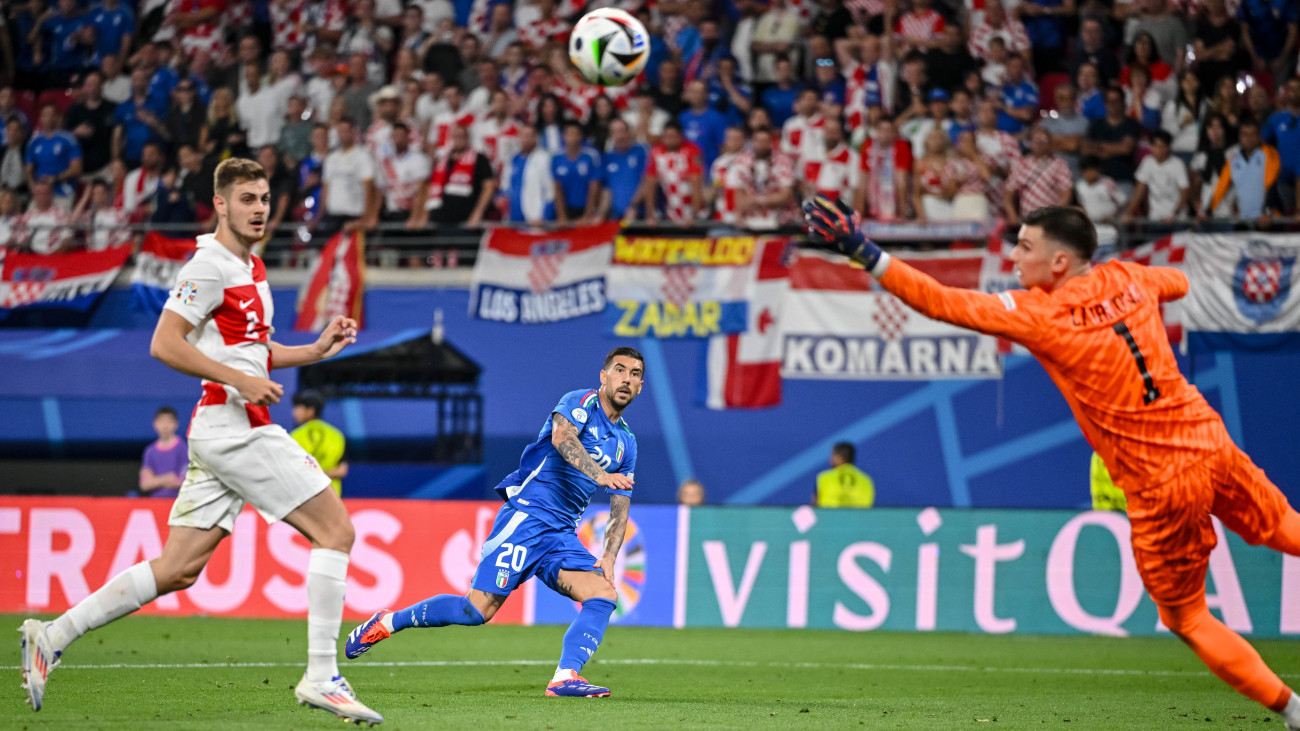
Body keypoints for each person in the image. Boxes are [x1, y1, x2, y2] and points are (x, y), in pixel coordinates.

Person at [803, 199, 1300, 730]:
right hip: (1208, 439)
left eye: (1025, 246)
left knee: (1187, 617)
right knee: (1285, 527)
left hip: (1161, 482)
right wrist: (1140, 289)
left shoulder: (1043, 314)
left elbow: (942, 301)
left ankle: (1293, 710)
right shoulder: (1131, 277)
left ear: (1060, 263)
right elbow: (1176, 280)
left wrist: (863, 251)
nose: (1014, 256)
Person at [19, 158, 382, 724]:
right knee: (336, 531)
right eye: (247, 199)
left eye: (264, 198)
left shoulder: (252, 267)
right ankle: (321, 675)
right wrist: (239, 379)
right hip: (238, 426)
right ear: (220, 204)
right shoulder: (209, 265)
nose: (259, 208)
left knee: (178, 568)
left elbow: (253, 350)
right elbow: (165, 343)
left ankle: (53, 634)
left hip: (220, 430)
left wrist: (312, 350)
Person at [343, 348, 644, 700]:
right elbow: (563, 440)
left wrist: (609, 555)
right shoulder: (579, 403)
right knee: (476, 611)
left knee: (603, 593)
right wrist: (601, 475)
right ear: (603, 375)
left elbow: (620, 503)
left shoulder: (628, 442)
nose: (626, 378)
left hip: (560, 535)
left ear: (640, 387)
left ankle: (565, 676)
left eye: (635, 374)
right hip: (527, 517)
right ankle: (387, 622)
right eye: (619, 370)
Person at [1005, 127, 1074, 224]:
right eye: (1036, 139)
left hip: (1049, 221)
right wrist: (1012, 215)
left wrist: (1054, 214)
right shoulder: (1021, 164)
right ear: (1031, 142)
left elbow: (1066, 193)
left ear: (1050, 144)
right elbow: (1008, 193)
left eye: (1043, 140)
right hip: (1027, 219)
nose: (1039, 142)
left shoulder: (1059, 164)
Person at [1124, 130, 1190, 223]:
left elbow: (1184, 192)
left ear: (1168, 147)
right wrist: (1129, 212)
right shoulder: (1147, 162)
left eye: (1161, 146)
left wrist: (1175, 213)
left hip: (1176, 220)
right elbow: (1139, 190)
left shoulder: (1177, 164)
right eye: (1154, 146)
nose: (1157, 150)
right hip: (1155, 218)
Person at [291, 391, 348, 496]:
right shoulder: (336, 435)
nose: (294, 412)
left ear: (310, 411)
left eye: (299, 408)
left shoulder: (295, 436)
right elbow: (342, 470)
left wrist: (313, 475)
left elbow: (291, 469)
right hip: (332, 496)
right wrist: (323, 474)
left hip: (304, 495)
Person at [139, 406, 187, 499]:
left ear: (176, 424)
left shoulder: (183, 448)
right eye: (161, 421)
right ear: (155, 424)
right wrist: (168, 478)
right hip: (156, 503)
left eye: (169, 422)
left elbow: (186, 480)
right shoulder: (150, 451)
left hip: (178, 502)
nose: (165, 426)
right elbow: (145, 484)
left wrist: (155, 481)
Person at [814, 442, 874, 508]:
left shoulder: (823, 478)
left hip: (830, 518)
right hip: (859, 518)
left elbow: (815, 508)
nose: (830, 459)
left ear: (838, 457)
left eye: (832, 456)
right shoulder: (867, 480)